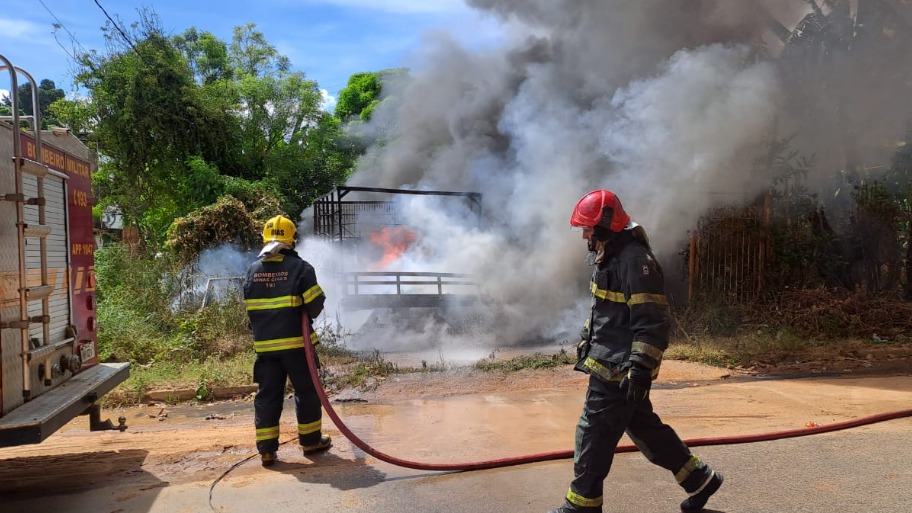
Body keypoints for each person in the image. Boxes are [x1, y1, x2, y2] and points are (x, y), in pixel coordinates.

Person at [548, 190, 723, 513]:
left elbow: (652, 323)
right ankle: (700, 479)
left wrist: (640, 369)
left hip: (619, 369)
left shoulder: (635, 262)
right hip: (611, 364)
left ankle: (581, 505)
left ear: (605, 226)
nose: (584, 235)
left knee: (594, 435)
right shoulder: (613, 255)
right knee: (646, 429)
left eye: (588, 228)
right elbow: (607, 313)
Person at [243, 214, 332, 467]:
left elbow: (251, 311)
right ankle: (311, 441)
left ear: (264, 237)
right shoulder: (301, 269)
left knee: (268, 396)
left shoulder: (252, 270)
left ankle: (267, 451)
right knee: (307, 392)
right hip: (297, 347)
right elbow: (315, 306)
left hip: (265, 349)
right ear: (293, 239)